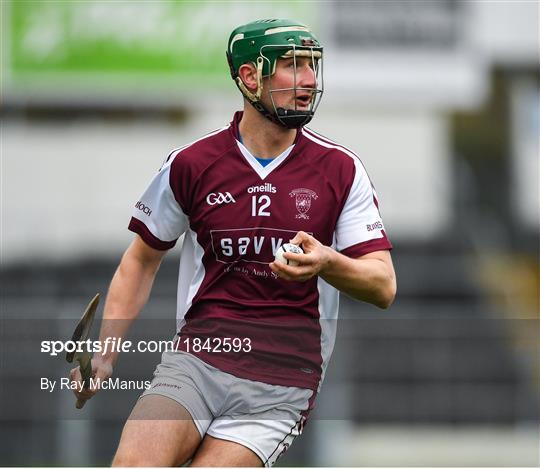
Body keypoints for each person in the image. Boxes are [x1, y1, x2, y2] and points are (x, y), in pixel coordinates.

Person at [69, 18, 396, 467]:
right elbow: (140, 262)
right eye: (291, 66)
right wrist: (105, 357)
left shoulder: (341, 170)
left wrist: (327, 262)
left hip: (282, 382)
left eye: (312, 67)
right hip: (196, 363)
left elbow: (383, 285)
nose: (308, 81)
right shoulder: (191, 163)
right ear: (248, 77)